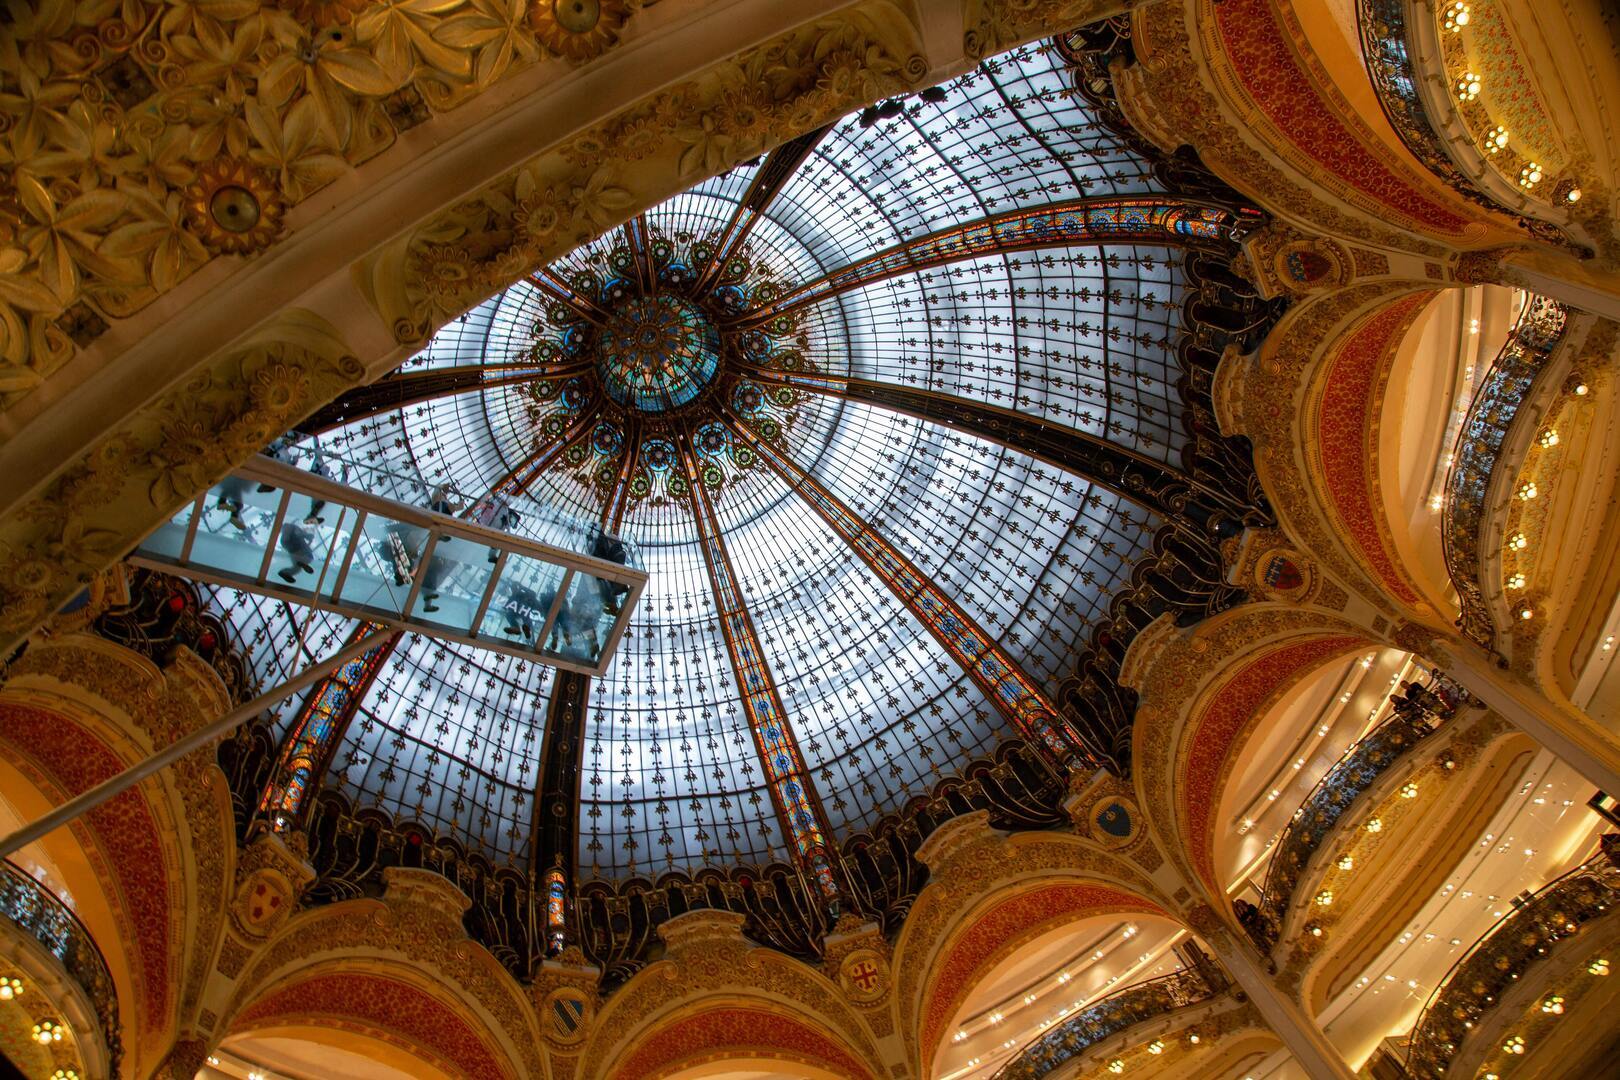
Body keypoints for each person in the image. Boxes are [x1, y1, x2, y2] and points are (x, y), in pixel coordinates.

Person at [475, 494, 521, 562]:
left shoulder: (504, 509)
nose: (506, 504)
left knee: (496, 544)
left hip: (495, 528)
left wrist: (508, 531)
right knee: (496, 544)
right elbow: (507, 523)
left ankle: (492, 556)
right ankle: (492, 556)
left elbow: (507, 523)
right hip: (492, 527)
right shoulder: (498, 505)